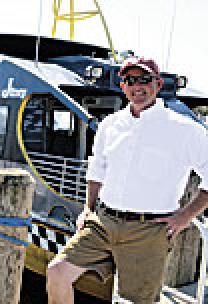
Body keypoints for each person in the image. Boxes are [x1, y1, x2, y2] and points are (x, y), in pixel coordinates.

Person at [46, 57, 208, 303]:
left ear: (158, 84)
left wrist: (185, 216)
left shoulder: (185, 130)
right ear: (122, 86)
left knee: (136, 301)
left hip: (148, 229)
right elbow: (97, 169)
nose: (137, 86)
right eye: (130, 80)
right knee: (57, 272)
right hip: (103, 222)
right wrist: (88, 209)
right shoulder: (110, 125)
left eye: (145, 79)